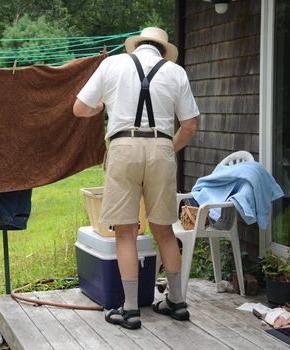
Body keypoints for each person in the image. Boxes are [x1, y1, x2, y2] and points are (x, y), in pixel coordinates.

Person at [73, 27, 199, 330]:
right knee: (165, 231)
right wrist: (168, 147)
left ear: (136, 46)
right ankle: (177, 302)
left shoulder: (112, 64)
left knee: (126, 232)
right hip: (161, 148)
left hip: (123, 147)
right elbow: (191, 125)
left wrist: (99, 107)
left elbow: (79, 109)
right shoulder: (175, 72)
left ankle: (129, 310)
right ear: (162, 49)